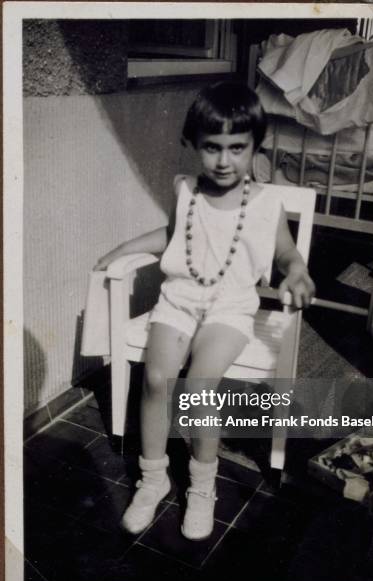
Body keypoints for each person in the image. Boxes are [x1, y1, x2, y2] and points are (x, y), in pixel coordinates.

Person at [94, 81, 315, 541]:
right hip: (179, 300)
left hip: (230, 309)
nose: (224, 159)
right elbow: (172, 236)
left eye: (237, 148)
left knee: (199, 384)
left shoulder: (267, 203)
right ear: (194, 144)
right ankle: (153, 481)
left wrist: (296, 272)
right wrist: (120, 249)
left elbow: (287, 255)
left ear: (255, 146)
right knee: (156, 379)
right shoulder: (186, 190)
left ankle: (201, 486)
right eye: (212, 147)